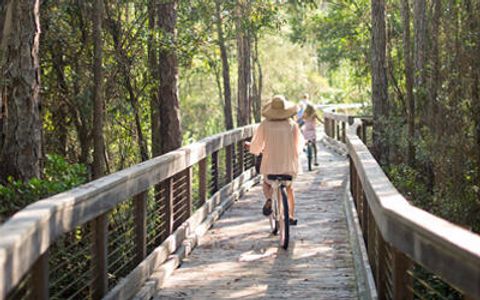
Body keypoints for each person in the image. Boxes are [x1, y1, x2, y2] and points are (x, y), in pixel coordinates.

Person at [246, 95, 304, 225]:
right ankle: (291, 215)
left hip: (270, 165)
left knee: (267, 183)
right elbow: (299, 146)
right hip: (288, 166)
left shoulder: (265, 125)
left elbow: (257, 146)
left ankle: (269, 199)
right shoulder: (292, 125)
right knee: (289, 188)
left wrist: (253, 148)